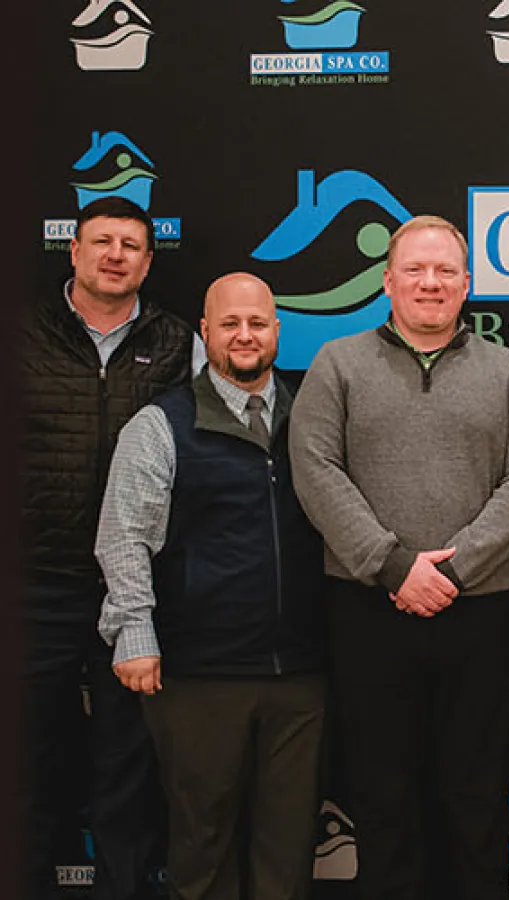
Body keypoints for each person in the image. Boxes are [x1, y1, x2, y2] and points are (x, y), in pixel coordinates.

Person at [288, 215, 509, 900]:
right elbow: (314, 468)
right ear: (387, 281)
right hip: (369, 608)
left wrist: (453, 571)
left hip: (480, 610)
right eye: (415, 270)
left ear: (467, 284)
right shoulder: (337, 363)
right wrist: (394, 566)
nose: (430, 283)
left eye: (444, 271)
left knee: (477, 798)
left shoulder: (507, 370)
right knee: (382, 798)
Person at [95, 272, 326, 900]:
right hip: (197, 673)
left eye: (257, 323)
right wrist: (134, 631)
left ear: (278, 331)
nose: (244, 335)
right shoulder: (160, 424)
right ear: (206, 332)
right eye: (230, 324)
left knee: (289, 846)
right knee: (202, 844)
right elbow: (123, 536)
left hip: (301, 671)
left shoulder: (314, 414)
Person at [23, 196, 205, 900]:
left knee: (127, 766)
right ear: (73, 251)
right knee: (27, 762)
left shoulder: (177, 341)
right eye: (101, 241)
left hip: (133, 589)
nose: (115, 255)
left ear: (148, 262)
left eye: (130, 245)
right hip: (33, 585)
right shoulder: (23, 334)